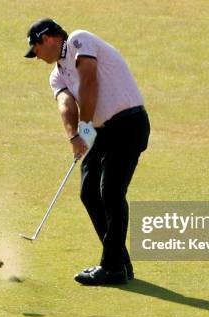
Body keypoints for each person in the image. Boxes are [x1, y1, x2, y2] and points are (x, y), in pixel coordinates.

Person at [24, 18, 150, 285]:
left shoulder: (79, 41)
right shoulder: (56, 74)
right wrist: (74, 136)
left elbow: (90, 81)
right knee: (89, 192)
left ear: (48, 38)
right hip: (100, 130)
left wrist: (86, 127)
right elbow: (65, 104)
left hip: (128, 123)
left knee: (111, 192)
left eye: (35, 49)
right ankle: (120, 262)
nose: (36, 56)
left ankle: (112, 266)